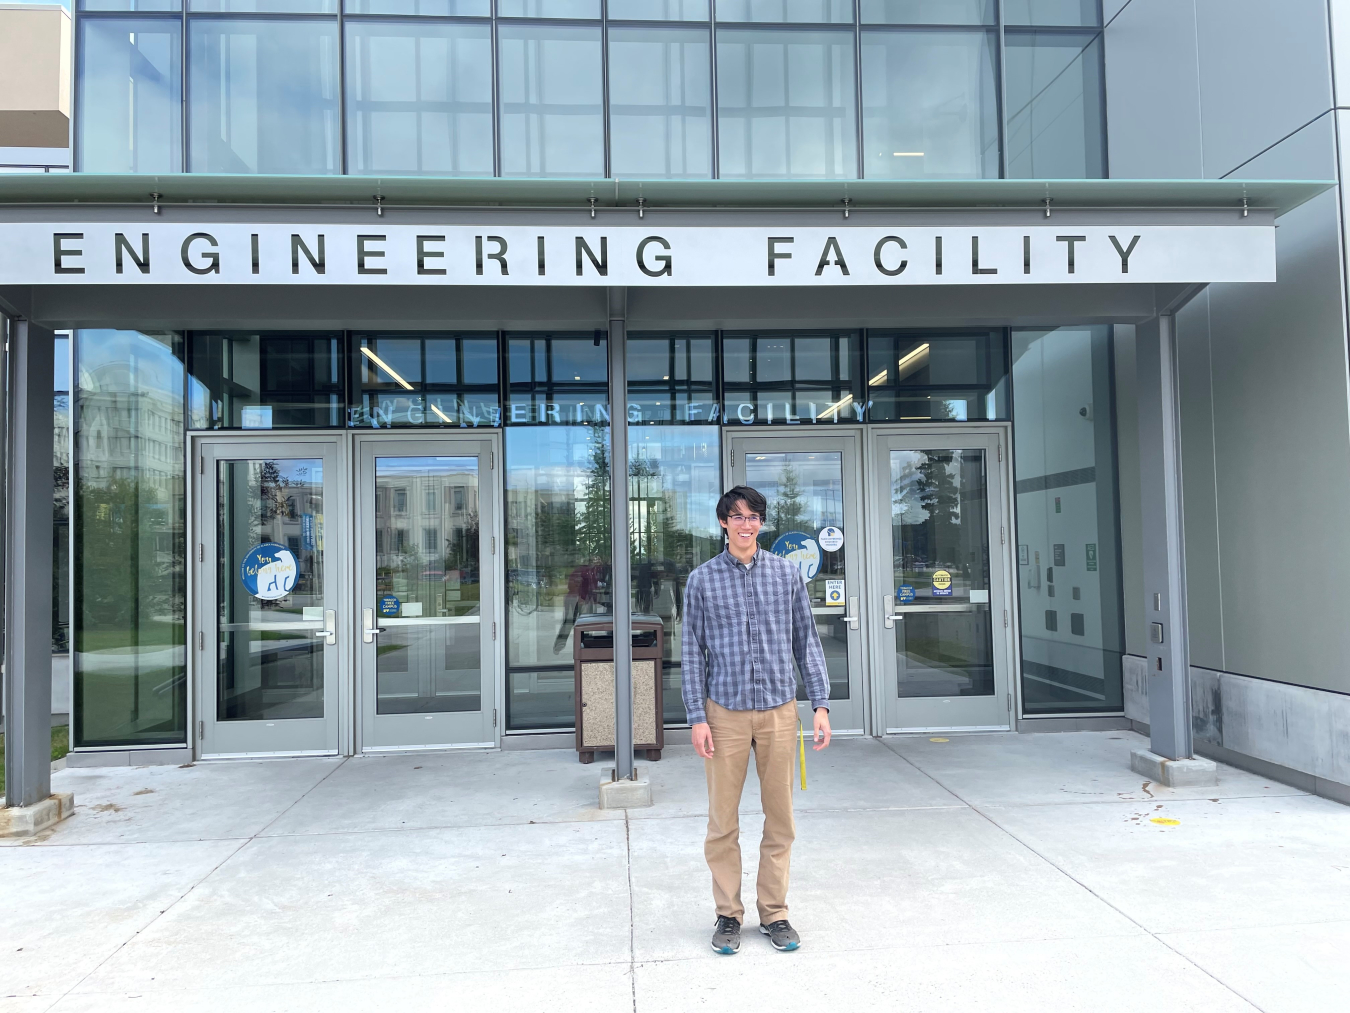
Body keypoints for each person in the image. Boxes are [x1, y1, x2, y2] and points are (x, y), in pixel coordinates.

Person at [680, 484, 831, 955]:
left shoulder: (787, 575)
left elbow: (806, 640)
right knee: (722, 822)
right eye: (738, 516)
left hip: (779, 713)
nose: (746, 524)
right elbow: (690, 653)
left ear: (761, 523)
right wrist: (695, 716)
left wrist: (820, 704)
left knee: (780, 819)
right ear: (723, 522)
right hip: (723, 714)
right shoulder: (702, 580)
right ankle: (728, 914)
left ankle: (775, 913)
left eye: (754, 517)